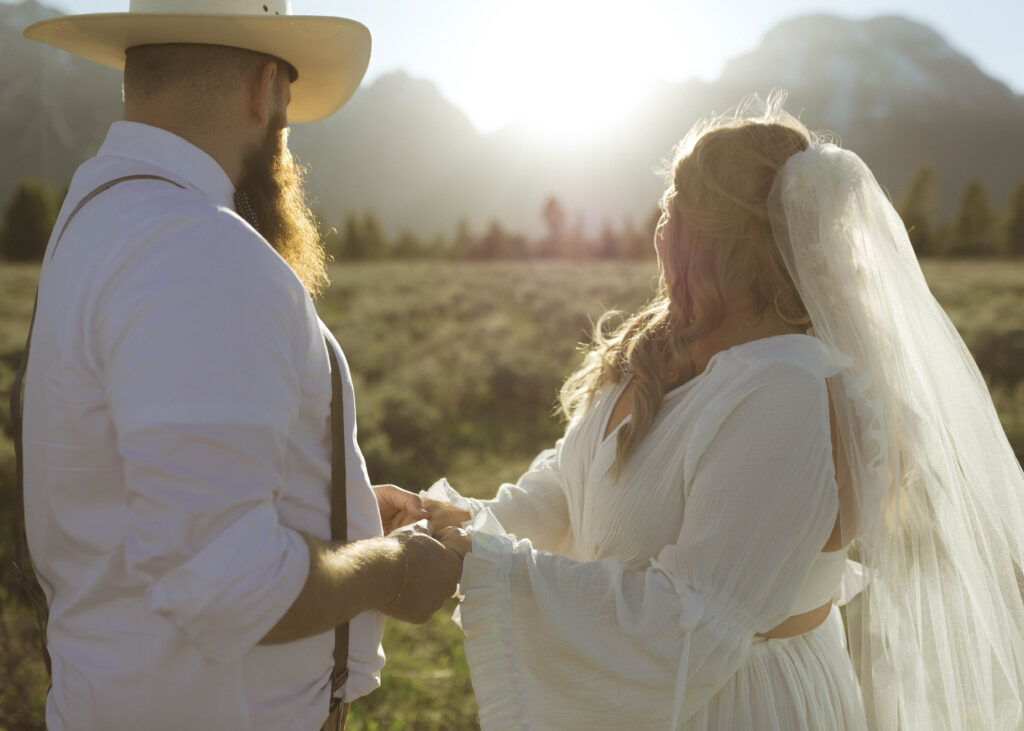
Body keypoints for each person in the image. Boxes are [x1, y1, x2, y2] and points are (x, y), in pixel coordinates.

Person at [428, 93, 1024, 730]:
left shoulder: (785, 388)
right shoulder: (662, 346)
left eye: (677, 208)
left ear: (717, 239)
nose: (661, 229)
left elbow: (692, 619)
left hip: (737, 706)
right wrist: (463, 520)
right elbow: (575, 482)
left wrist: (483, 565)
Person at [18, 2, 462, 729]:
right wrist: (395, 570)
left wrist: (335, 503)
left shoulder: (100, 213)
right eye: (287, 103)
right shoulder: (199, 249)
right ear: (264, 89)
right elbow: (228, 586)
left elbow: (154, 494)